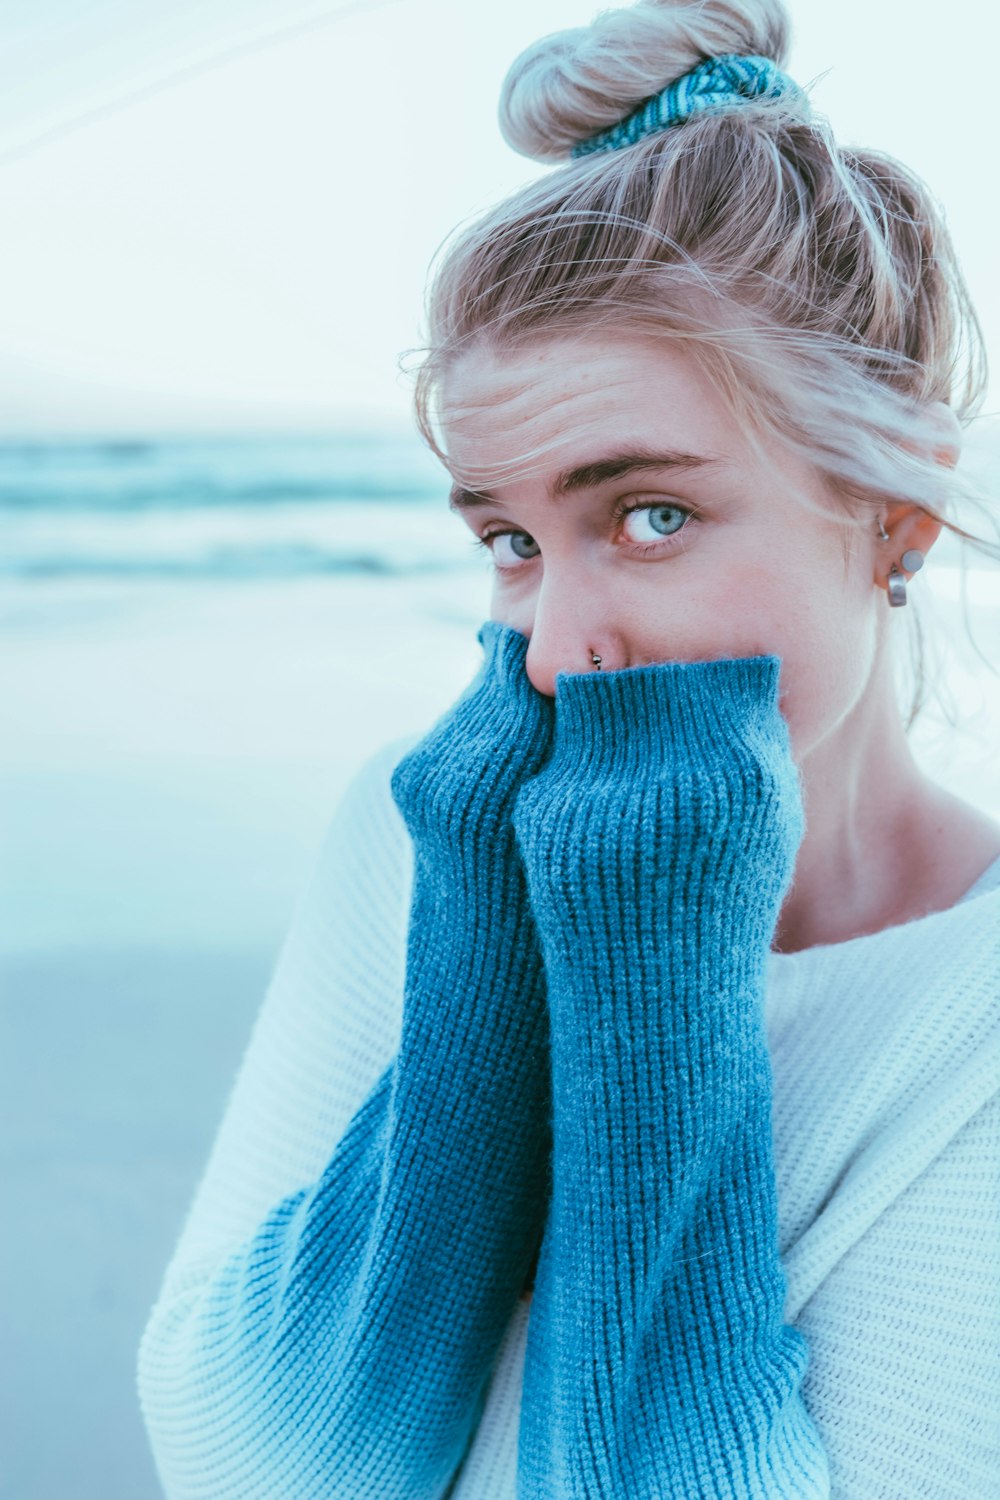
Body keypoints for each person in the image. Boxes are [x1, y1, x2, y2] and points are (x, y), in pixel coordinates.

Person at [137, 2, 1000, 1495]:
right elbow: (250, 1459)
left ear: (894, 518)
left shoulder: (971, 1020)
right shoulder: (435, 831)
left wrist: (652, 971)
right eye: (513, 540)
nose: (551, 647)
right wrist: (483, 946)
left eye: (650, 516)